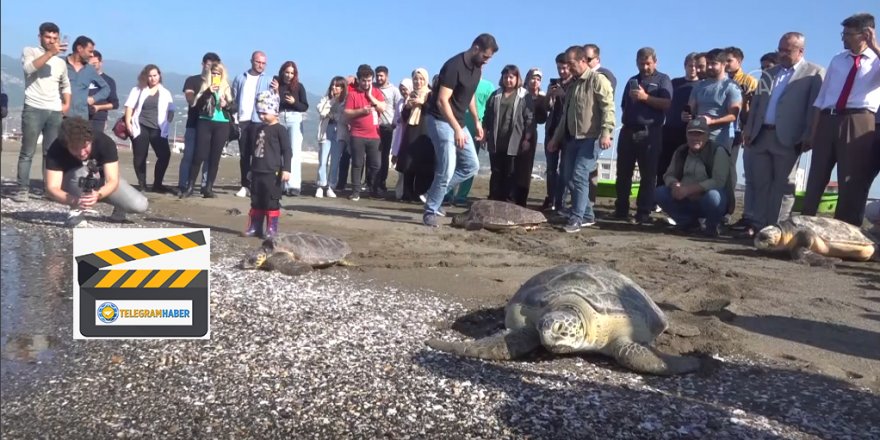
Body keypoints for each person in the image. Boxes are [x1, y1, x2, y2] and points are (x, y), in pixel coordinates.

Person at [742, 32, 825, 236]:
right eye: (780, 49)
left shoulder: (814, 73)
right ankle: (759, 226)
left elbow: (814, 107)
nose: (781, 54)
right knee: (761, 183)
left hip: (789, 138)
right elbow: (758, 104)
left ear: (800, 51)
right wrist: (749, 128)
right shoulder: (769, 73)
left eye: (787, 51)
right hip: (762, 134)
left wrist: (810, 134)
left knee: (783, 186)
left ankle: (777, 230)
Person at [803, 13, 879, 226]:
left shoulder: (875, 60)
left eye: (848, 34)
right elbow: (822, 98)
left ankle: (845, 228)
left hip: (858, 120)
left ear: (865, 35)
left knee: (851, 178)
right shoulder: (838, 59)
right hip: (828, 118)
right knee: (817, 174)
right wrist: (813, 132)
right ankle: (806, 221)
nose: (843, 38)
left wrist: (875, 46)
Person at [422, 34, 498, 227]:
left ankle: (434, 195)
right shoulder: (454, 66)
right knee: (446, 169)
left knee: (471, 165)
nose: (487, 61)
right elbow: (441, 101)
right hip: (440, 119)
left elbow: (469, 95)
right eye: (486, 57)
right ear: (475, 49)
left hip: (458, 120)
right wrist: (456, 128)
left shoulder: (477, 69)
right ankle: (431, 210)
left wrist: (477, 121)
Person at [546, 45, 615, 233]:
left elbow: (608, 108)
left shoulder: (598, 80)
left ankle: (576, 218)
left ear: (583, 61)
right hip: (572, 138)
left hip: (591, 138)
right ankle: (587, 214)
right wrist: (556, 138)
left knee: (579, 174)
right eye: (566, 64)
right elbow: (565, 116)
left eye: (571, 64)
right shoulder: (573, 85)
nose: (568, 68)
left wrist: (606, 132)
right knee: (567, 177)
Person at [44, 117, 148, 227]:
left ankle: (119, 205)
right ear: (66, 145)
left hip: (101, 184)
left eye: (85, 146)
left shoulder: (105, 142)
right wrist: (75, 200)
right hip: (72, 185)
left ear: (91, 140)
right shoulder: (56, 148)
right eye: (75, 148)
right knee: (81, 173)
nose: (82, 153)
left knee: (140, 205)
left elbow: (112, 180)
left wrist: (98, 194)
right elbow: (52, 188)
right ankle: (76, 212)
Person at [615, 47, 673, 224]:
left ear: (655, 62)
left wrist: (645, 98)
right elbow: (623, 105)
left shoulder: (663, 80)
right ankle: (621, 209)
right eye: (641, 64)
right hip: (628, 130)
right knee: (623, 173)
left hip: (650, 132)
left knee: (648, 175)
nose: (645, 67)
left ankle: (643, 211)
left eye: (648, 63)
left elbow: (667, 103)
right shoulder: (632, 80)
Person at [15, 22, 71, 202]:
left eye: (55, 38)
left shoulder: (61, 62)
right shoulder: (30, 51)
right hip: (33, 108)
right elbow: (29, 68)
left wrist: (66, 103)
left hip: (54, 111)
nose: (52, 41)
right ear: (40, 37)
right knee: (27, 152)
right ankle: (22, 189)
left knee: (51, 153)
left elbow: (65, 83)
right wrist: (49, 53)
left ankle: (50, 189)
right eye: (48, 37)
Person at [655, 118, 730, 237]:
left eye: (699, 134)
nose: (695, 138)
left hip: (707, 200)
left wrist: (690, 189)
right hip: (685, 199)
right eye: (691, 133)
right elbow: (668, 175)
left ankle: (712, 226)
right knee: (659, 192)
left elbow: (719, 181)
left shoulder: (718, 151)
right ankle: (688, 223)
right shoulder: (681, 151)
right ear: (686, 135)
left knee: (714, 197)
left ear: (707, 136)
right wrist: (675, 185)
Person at [482, 64, 535, 203]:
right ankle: (494, 198)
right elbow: (487, 116)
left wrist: (526, 139)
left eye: (511, 77)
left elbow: (529, 119)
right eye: (505, 77)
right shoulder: (496, 94)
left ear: (517, 78)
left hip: (514, 141)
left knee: (511, 172)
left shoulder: (524, 95)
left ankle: (509, 200)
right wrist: (484, 133)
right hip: (496, 141)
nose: (508, 80)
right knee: (496, 171)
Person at [181, 62, 233, 198]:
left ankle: (208, 188)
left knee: (215, 158)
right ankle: (190, 187)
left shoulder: (227, 87)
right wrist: (208, 91)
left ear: (223, 75)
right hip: (205, 122)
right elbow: (196, 105)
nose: (216, 75)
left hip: (222, 124)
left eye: (218, 73)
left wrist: (226, 104)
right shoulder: (204, 86)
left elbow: (234, 108)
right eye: (213, 73)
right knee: (199, 156)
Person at [244, 91, 291, 239]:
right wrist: (251, 169)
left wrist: (287, 169)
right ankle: (255, 226)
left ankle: (271, 228)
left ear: (275, 111)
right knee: (256, 199)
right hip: (258, 170)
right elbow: (254, 150)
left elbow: (287, 150)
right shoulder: (259, 128)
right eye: (259, 113)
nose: (262, 116)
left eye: (265, 113)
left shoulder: (280, 130)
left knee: (271, 201)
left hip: (273, 172)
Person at [123, 64, 176, 194]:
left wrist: (168, 121)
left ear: (159, 76)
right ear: (146, 77)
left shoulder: (165, 92)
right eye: (150, 76)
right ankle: (142, 185)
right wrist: (128, 123)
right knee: (140, 155)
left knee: (164, 155)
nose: (153, 78)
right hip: (140, 125)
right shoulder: (138, 89)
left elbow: (171, 109)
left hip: (158, 128)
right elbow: (129, 106)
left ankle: (158, 184)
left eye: (155, 76)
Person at [447, 69, 495, 207]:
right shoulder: (460, 83)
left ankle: (462, 195)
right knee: (453, 160)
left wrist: (485, 130)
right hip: (458, 123)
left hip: (476, 126)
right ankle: (448, 193)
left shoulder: (488, 87)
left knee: (470, 161)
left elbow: (490, 110)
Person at [232, 51, 274, 198]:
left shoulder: (269, 80)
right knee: (244, 155)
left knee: (258, 155)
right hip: (243, 121)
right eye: (258, 62)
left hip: (259, 122)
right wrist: (234, 117)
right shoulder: (240, 78)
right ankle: (245, 185)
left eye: (263, 63)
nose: (261, 65)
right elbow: (234, 99)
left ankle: (255, 185)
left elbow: (273, 101)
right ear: (251, 61)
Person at [179, 52, 220, 194]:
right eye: (208, 65)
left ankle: (205, 186)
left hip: (211, 125)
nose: (210, 69)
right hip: (193, 123)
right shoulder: (192, 80)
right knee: (189, 155)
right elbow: (190, 101)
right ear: (203, 64)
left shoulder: (221, 83)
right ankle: (183, 185)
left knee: (208, 157)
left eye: (214, 66)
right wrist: (205, 92)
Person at [344, 64, 386, 201]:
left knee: (376, 164)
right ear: (359, 79)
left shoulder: (377, 92)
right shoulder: (352, 94)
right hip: (357, 134)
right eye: (364, 80)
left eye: (369, 80)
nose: (367, 83)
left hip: (375, 135)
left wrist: (370, 96)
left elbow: (383, 108)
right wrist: (362, 111)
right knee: (357, 164)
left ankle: (373, 189)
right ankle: (355, 191)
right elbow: (347, 113)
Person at [661, 53, 701, 190]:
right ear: (685, 66)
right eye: (690, 65)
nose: (693, 69)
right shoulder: (674, 83)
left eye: (696, 66)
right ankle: (661, 194)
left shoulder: (701, 85)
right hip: (670, 128)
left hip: (690, 131)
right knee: (664, 163)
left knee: (684, 165)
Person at [395, 69, 436, 202]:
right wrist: (407, 107)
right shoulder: (411, 94)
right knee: (408, 163)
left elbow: (433, 111)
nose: (418, 82)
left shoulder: (430, 95)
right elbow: (404, 117)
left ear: (426, 80)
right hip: (411, 130)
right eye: (416, 79)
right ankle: (407, 193)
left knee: (422, 163)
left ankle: (420, 193)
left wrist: (422, 103)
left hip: (425, 131)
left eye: (421, 79)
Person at [541, 52, 574, 212]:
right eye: (559, 68)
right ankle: (551, 198)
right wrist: (549, 95)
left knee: (565, 169)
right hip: (552, 129)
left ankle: (561, 201)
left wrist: (563, 94)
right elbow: (547, 108)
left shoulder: (575, 83)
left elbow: (574, 105)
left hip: (567, 131)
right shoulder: (555, 84)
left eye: (564, 68)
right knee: (551, 168)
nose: (561, 71)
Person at [272, 61, 309, 197]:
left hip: (295, 118)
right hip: (280, 117)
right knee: (279, 151)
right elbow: (273, 102)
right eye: (287, 72)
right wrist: (276, 91)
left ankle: (293, 185)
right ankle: (280, 184)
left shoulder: (299, 87)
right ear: (282, 72)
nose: (289, 75)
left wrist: (294, 102)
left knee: (294, 151)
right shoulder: (276, 85)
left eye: (292, 73)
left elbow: (304, 106)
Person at [315, 76, 347, 198]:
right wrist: (332, 100)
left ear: (343, 88)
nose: (334, 88)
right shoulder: (325, 99)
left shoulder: (346, 101)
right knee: (323, 160)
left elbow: (345, 117)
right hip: (326, 130)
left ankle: (330, 186)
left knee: (335, 161)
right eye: (333, 85)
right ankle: (320, 185)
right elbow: (322, 111)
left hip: (339, 132)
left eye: (338, 86)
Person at [65, 36, 109, 120]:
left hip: (81, 118)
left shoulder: (89, 69)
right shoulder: (61, 64)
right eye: (90, 51)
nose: (92, 54)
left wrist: (93, 98)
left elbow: (106, 89)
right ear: (79, 48)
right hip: (61, 116)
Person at [375, 66, 403, 193]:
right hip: (373, 126)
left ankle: (382, 181)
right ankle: (371, 181)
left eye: (381, 75)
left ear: (387, 76)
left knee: (384, 155)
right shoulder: (372, 87)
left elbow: (399, 108)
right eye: (377, 75)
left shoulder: (394, 90)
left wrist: (394, 124)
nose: (379, 78)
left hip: (387, 127)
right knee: (373, 155)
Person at [87, 50, 119, 135]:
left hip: (97, 119)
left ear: (101, 63)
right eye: (90, 63)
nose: (92, 65)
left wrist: (97, 107)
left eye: (95, 63)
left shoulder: (108, 81)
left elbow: (115, 104)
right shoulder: (82, 78)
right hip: (79, 117)